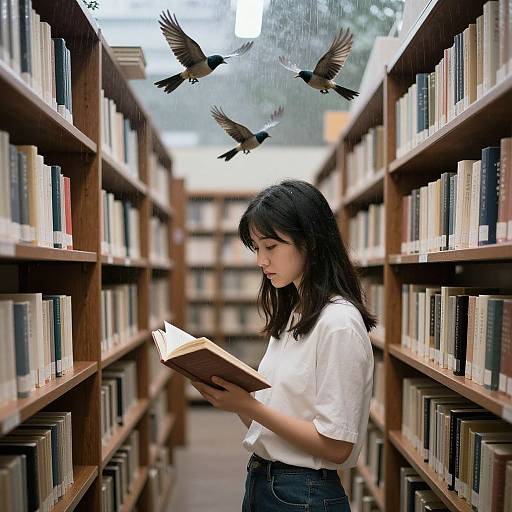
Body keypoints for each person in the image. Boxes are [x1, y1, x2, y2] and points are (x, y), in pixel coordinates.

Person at [192, 179, 375, 512]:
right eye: (256, 249)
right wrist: (235, 399)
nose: (261, 261)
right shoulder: (294, 314)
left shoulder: (338, 325)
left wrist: (249, 406)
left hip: (302, 494)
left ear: (310, 241)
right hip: (265, 480)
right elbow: (272, 425)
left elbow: (337, 447)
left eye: (271, 247)